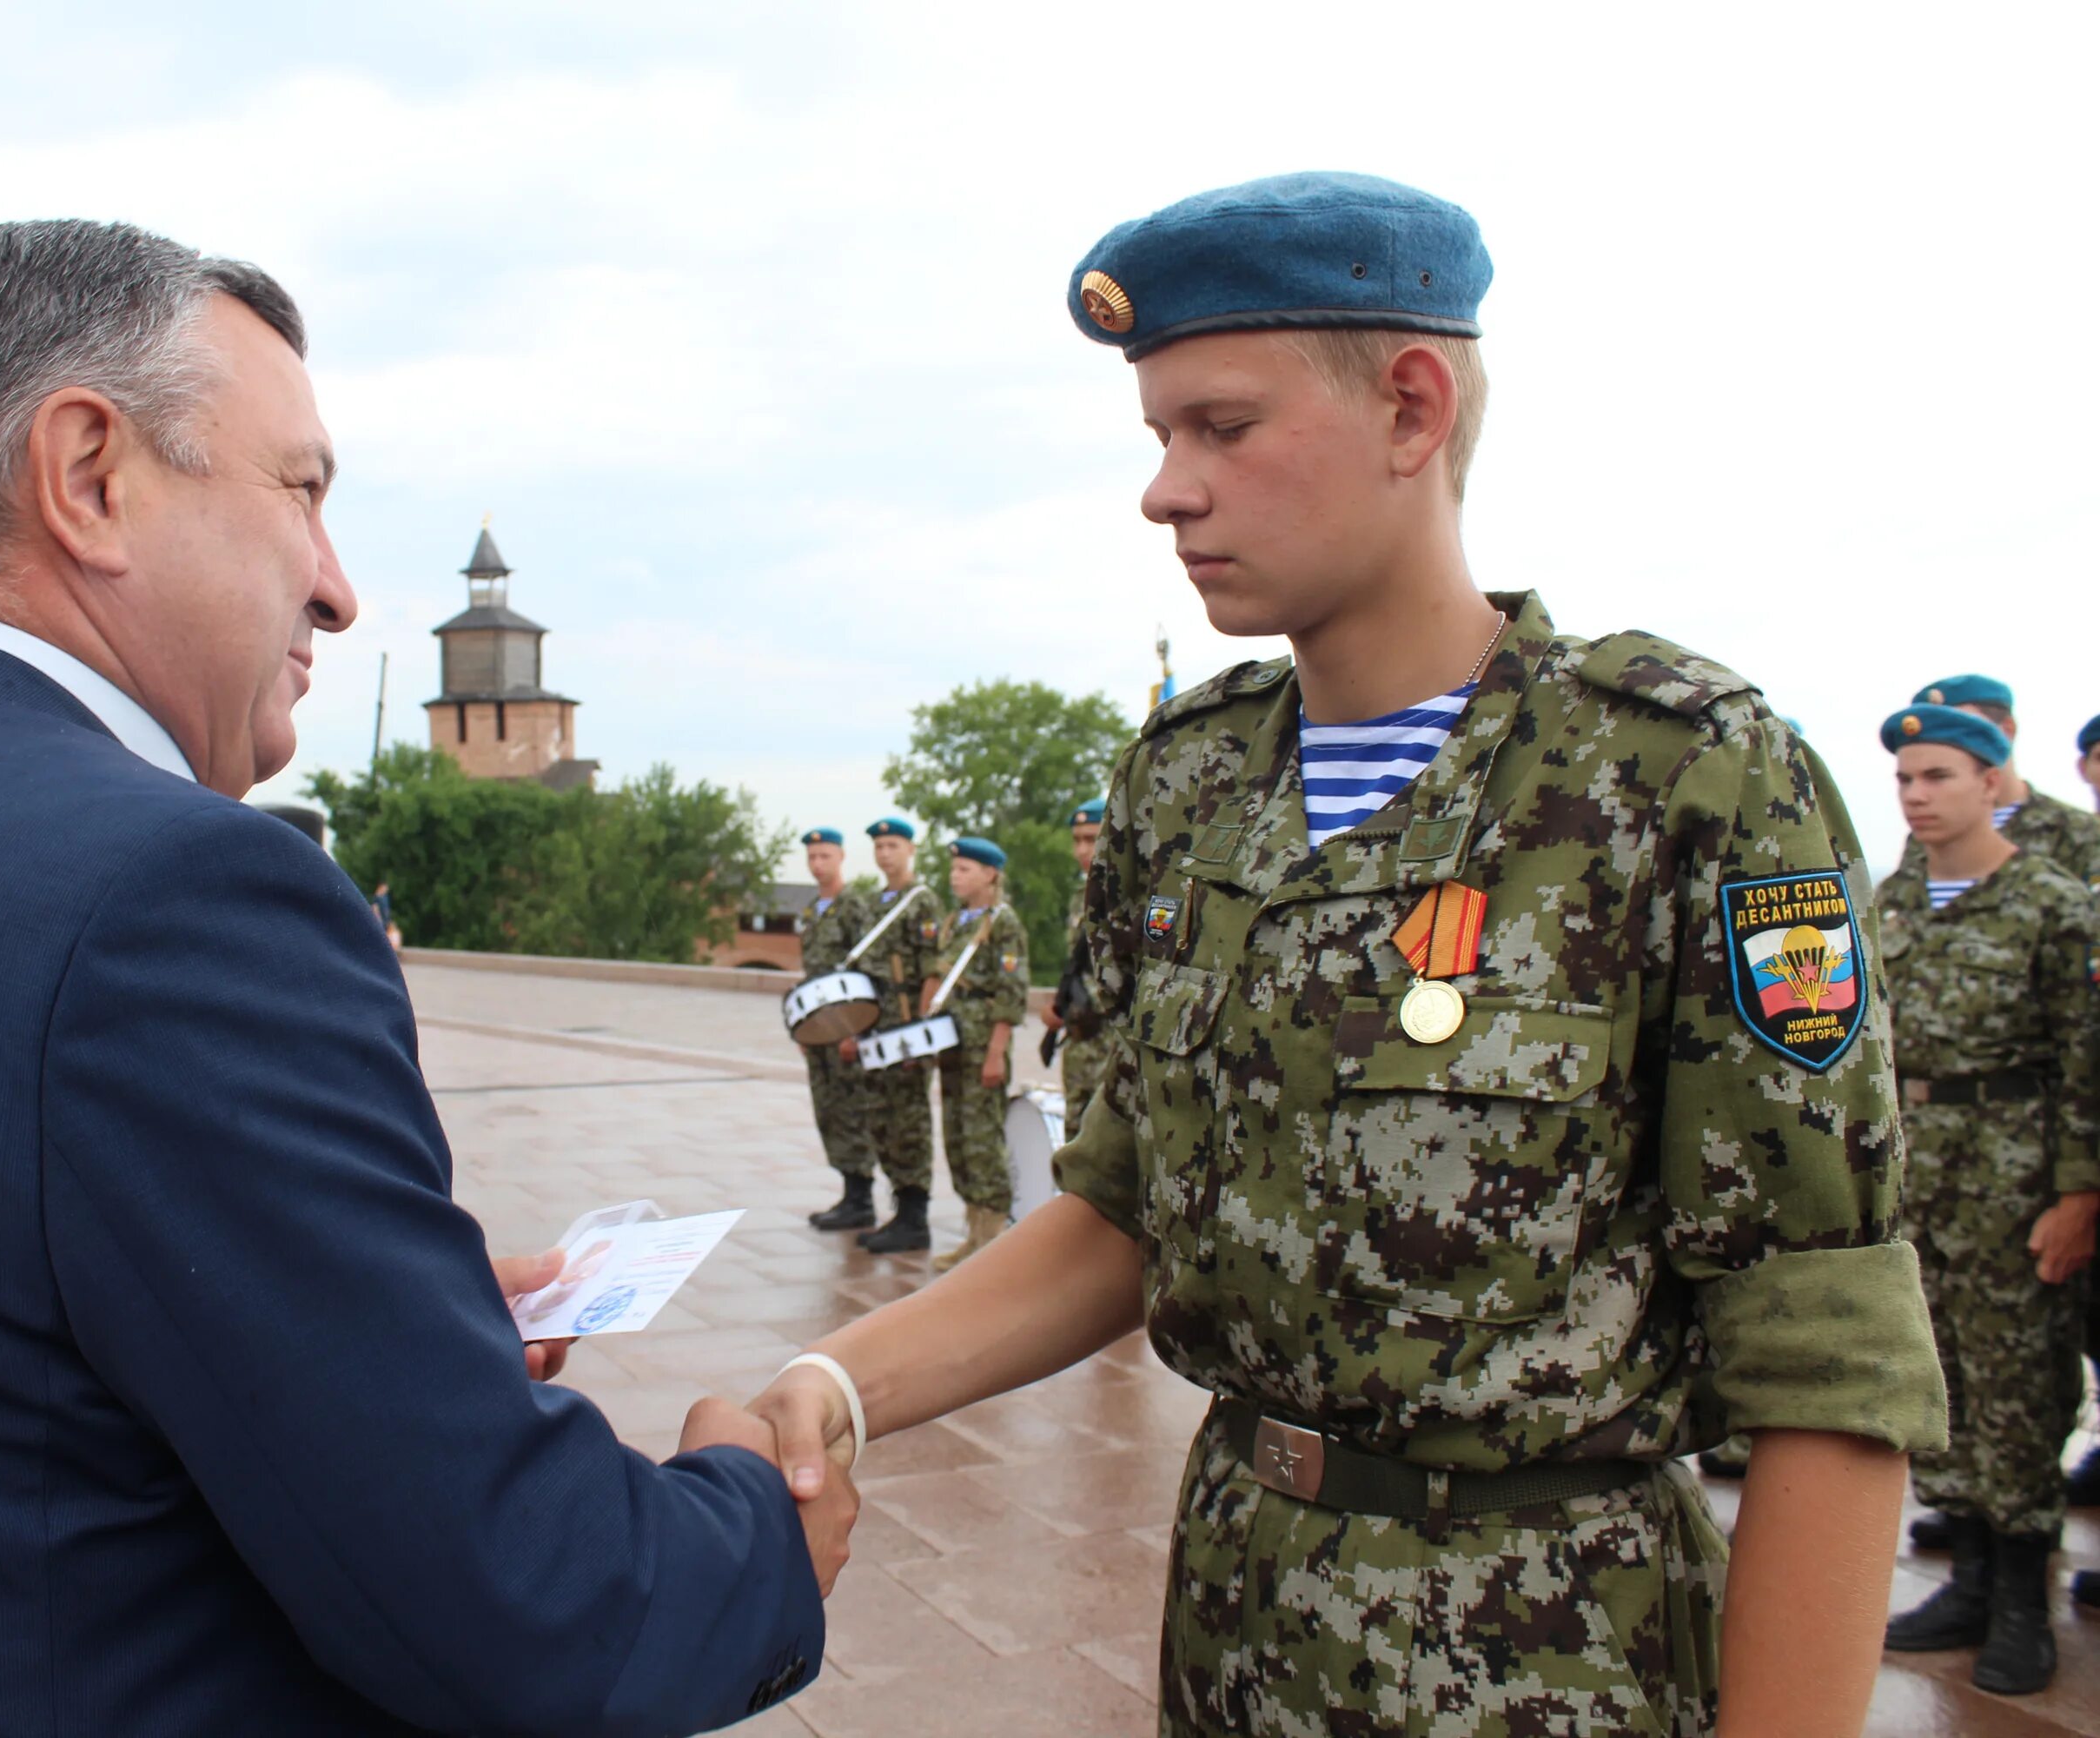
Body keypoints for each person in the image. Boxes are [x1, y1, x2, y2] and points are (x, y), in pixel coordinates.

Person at [0, 220, 848, 1735]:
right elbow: (523, 1607)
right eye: (301, 493)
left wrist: (368, 1315)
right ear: (91, 476)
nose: (338, 590)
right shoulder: (173, 895)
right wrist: (754, 1516)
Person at [741, 172, 1947, 1737]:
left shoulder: (1678, 777)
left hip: (1548, 1659)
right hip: (1238, 1627)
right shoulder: (1187, 781)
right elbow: (1123, 1207)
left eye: (1220, 428)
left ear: (1413, 408)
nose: (1166, 491)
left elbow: (1822, 1342)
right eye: (1158, 437)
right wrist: (840, 1389)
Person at [1872, 704, 2097, 1696]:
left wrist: (2081, 1191)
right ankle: (1964, 1572)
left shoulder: (2056, 902)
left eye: (1940, 776)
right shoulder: (1893, 902)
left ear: (1994, 781)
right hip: (1919, 1171)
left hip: (2015, 1166)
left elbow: (2087, 1064)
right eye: (1907, 779)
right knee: (1943, 1374)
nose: (1918, 795)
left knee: (2023, 1378)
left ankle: (2019, 1594)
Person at [919, 838, 1026, 1273]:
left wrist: (996, 1054)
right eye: (954, 869)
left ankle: (991, 1240)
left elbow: (1011, 993)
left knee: (983, 1142)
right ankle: (974, 1234)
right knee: (959, 1140)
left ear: (990, 874)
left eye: (965, 869)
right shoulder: (955, 923)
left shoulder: (1002, 922)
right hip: (952, 1049)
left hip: (983, 1048)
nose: (955, 876)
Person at [1893, 675, 2100, 892]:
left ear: (2008, 729)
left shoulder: (2079, 832)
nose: (1946, 746)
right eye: (1932, 736)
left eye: (1964, 730)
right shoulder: (1924, 839)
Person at [851, 818, 938, 1255]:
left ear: (910, 849)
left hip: (904, 1023)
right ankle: (898, 1211)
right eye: (879, 846)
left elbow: (931, 969)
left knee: (909, 1121)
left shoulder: (921, 903)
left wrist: (919, 1030)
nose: (885, 853)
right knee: (881, 1119)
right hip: (873, 1021)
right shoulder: (872, 904)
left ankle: (915, 1216)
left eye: (893, 845)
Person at [792, 827, 880, 1232]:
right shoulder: (812, 910)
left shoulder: (853, 907)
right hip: (818, 1029)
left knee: (851, 1109)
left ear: (841, 857)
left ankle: (861, 1198)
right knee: (827, 1109)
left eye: (824, 856)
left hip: (846, 1028)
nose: (817, 864)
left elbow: (866, 973)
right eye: (812, 857)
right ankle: (849, 1191)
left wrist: (855, 1031)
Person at [1043, 795, 1121, 1142]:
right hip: (1080, 1045)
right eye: (1077, 840)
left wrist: (1086, 1002)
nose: (1081, 850)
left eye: (1091, 839)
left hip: (1113, 1045)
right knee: (1075, 1139)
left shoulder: (1129, 892)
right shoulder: (1080, 895)